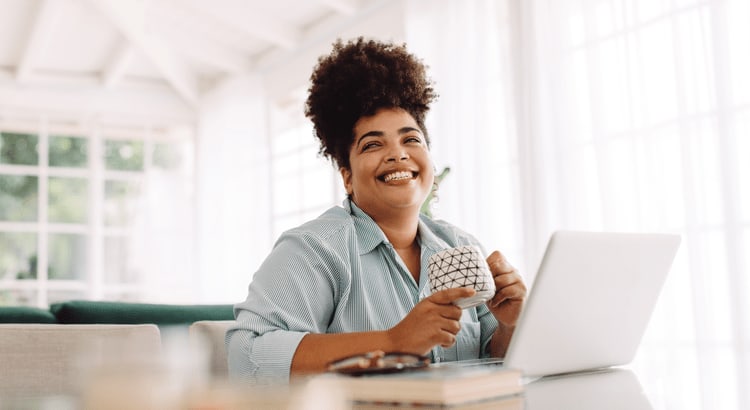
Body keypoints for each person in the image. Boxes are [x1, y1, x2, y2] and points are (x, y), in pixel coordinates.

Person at [226, 37, 526, 383]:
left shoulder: (461, 245)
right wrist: (391, 342)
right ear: (347, 177)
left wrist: (511, 324)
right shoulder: (314, 249)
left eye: (411, 139)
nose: (398, 154)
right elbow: (247, 357)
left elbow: (493, 360)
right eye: (373, 144)